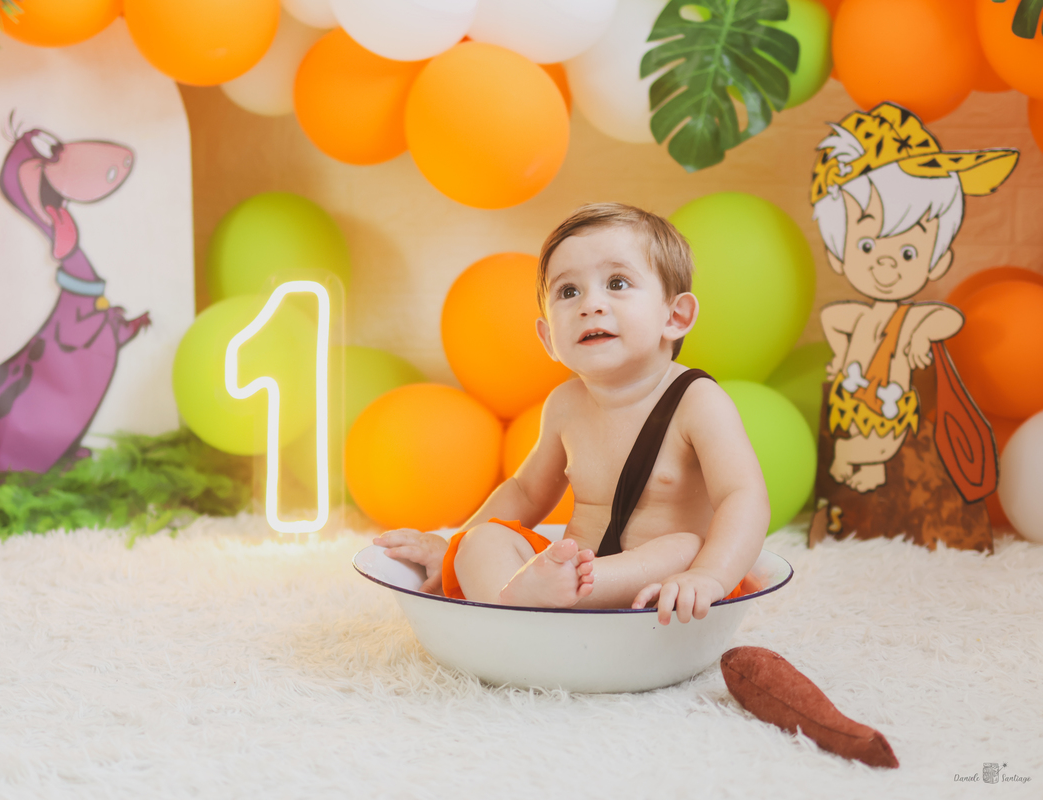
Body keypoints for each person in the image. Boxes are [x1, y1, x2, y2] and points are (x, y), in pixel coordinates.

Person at [374, 203, 769, 625]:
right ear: (548, 338)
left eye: (617, 283)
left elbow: (743, 496)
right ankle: (512, 606)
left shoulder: (697, 400)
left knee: (685, 546)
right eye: (568, 292)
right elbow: (526, 493)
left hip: (663, 591)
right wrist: (454, 546)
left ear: (675, 316)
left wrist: (710, 574)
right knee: (484, 540)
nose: (590, 304)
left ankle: (532, 604)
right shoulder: (565, 405)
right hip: (572, 576)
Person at [810, 103, 1017, 494]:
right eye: (867, 246)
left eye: (908, 253)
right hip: (855, 394)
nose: (886, 263)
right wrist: (840, 353)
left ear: (937, 261)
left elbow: (949, 318)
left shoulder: (909, 320)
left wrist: (919, 336)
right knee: (857, 436)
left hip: (890, 401)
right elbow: (833, 319)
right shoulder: (861, 317)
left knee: (884, 444)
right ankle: (854, 466)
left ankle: (853, 460)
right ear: (838, 254)